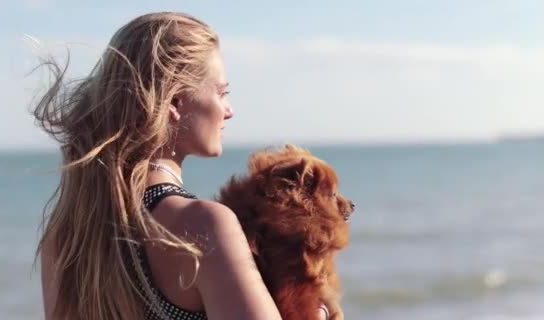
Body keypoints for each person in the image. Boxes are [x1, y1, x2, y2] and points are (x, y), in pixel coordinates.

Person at [34, 11, 329, 320]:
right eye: (221, 93)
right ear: (174, 102)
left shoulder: (66, 234)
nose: (229, 110)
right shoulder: (203, 224)